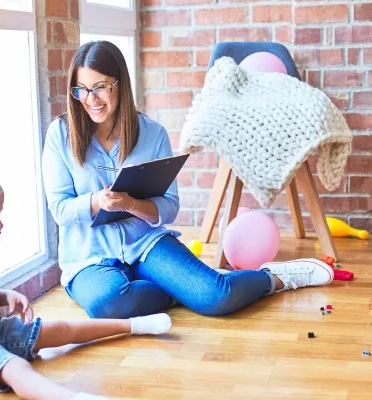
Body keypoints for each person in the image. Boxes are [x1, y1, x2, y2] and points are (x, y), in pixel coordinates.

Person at [41, 40, 335, 320]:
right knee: (108, 303)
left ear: (120, 84)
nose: (91, 100)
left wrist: (130, 203)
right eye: (82, 90)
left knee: (216, 297)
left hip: (144, 243)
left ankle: (276, 278)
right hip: (89, 257)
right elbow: (60, 209)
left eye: (101, 88)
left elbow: (169, 208)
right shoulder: (60, 134)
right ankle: (182, 291)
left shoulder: (152, 133)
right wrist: (96, 201)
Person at [0, 166, 173, 400]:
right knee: (14, 368)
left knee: (61, 329)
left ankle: (134, 325)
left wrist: (2, 295)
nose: (0, 224)